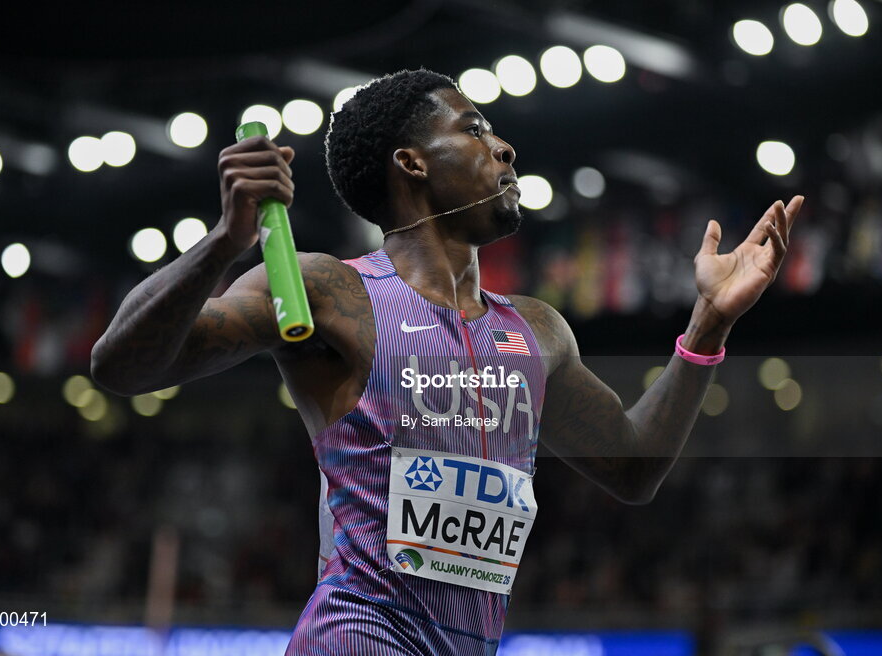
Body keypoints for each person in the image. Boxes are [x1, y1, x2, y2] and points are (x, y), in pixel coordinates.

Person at [91, 69, 803, 655]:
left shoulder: (537, 332)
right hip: (358, 637)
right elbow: (121, 365)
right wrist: (223, 241)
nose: (505, 148)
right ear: (412, 162)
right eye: (474, 128)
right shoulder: (331, 292)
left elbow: (633, 467)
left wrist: (708, 322)